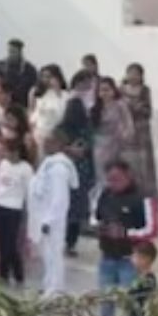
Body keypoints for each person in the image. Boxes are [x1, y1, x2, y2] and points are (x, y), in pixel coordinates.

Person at [89, 161, 152, 316]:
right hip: (107, 257)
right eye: (110, 179)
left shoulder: (140, 198)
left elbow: (150, 228)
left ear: (128, 176)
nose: (113, 183)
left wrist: (126, 233)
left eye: (117, 179)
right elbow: (94, 217)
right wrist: (100, 227)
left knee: (132, 304)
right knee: (105, 304)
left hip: (129, 260)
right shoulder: (105, 194)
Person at [29, 131, 76, 298]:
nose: (45, 145)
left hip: (52, 220)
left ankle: (55, 289)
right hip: (43, 216)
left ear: (58, 145)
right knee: (47, 255)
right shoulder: (48, 164)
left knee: (54, 255)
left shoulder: (59, 169)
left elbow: (59, 199)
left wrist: (49, 220)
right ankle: (47, 284)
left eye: (49, 142)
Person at [59, 70, 96, 255]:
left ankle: (70, 239)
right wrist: (72, 147)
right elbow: (66, 129)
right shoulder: (75, 103)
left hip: (84, 156)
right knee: (74, 200)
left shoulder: (85, 103)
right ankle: (68, 240)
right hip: (76, 158)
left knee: (77, 199)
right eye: (88, 81)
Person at [0, 138, 32, 287]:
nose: (8, 154)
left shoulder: (26, 169)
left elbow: (29, 191)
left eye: (11, 151)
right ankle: (16, 273)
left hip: (14, 208)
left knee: (9, 243)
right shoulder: (3, 164)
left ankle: (3, 274)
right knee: (2, 243)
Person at [89, 77, 132, 219]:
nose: (104, 93)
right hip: (99, 146)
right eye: (101, 90)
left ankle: (114, 209)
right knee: (101, 178)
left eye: (107, 90)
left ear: (114, 90)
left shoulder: (120, 105)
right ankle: (97, 210)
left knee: (116, 176)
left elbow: (129, 126)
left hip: (116, 145)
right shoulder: (95, 107)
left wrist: (124, 137)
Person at [120, 64, 158, 200]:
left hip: (141, 132)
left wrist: (136, 107)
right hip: (125, 131)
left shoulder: (145, 90)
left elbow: (148, 111)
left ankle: (145, 192)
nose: (133, 76)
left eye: (136, 74)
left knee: (143, 164)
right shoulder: (121, 90)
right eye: (130, 73)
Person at [126, 241, 158, 316]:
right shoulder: (138, 276)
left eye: (135, 256)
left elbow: (139, 298)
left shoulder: (148, 280)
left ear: (146, 259)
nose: (132, 259)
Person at [29, 64, 69, 152]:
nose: (46, 79)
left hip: (55, 134)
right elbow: (32, 113)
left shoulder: (65, 95)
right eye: (43, 76)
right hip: (39, 132)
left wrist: (57, 90)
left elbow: (62, 113)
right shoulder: (37, 93)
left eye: (49, 76)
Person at [0, 39, 39, 109]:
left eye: (13, 52)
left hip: (21, 105)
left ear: (20, 52)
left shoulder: (30, 70)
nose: (10, 54)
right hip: (1, 104)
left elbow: (34, 90)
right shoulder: (1, 65)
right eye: (9, 51)